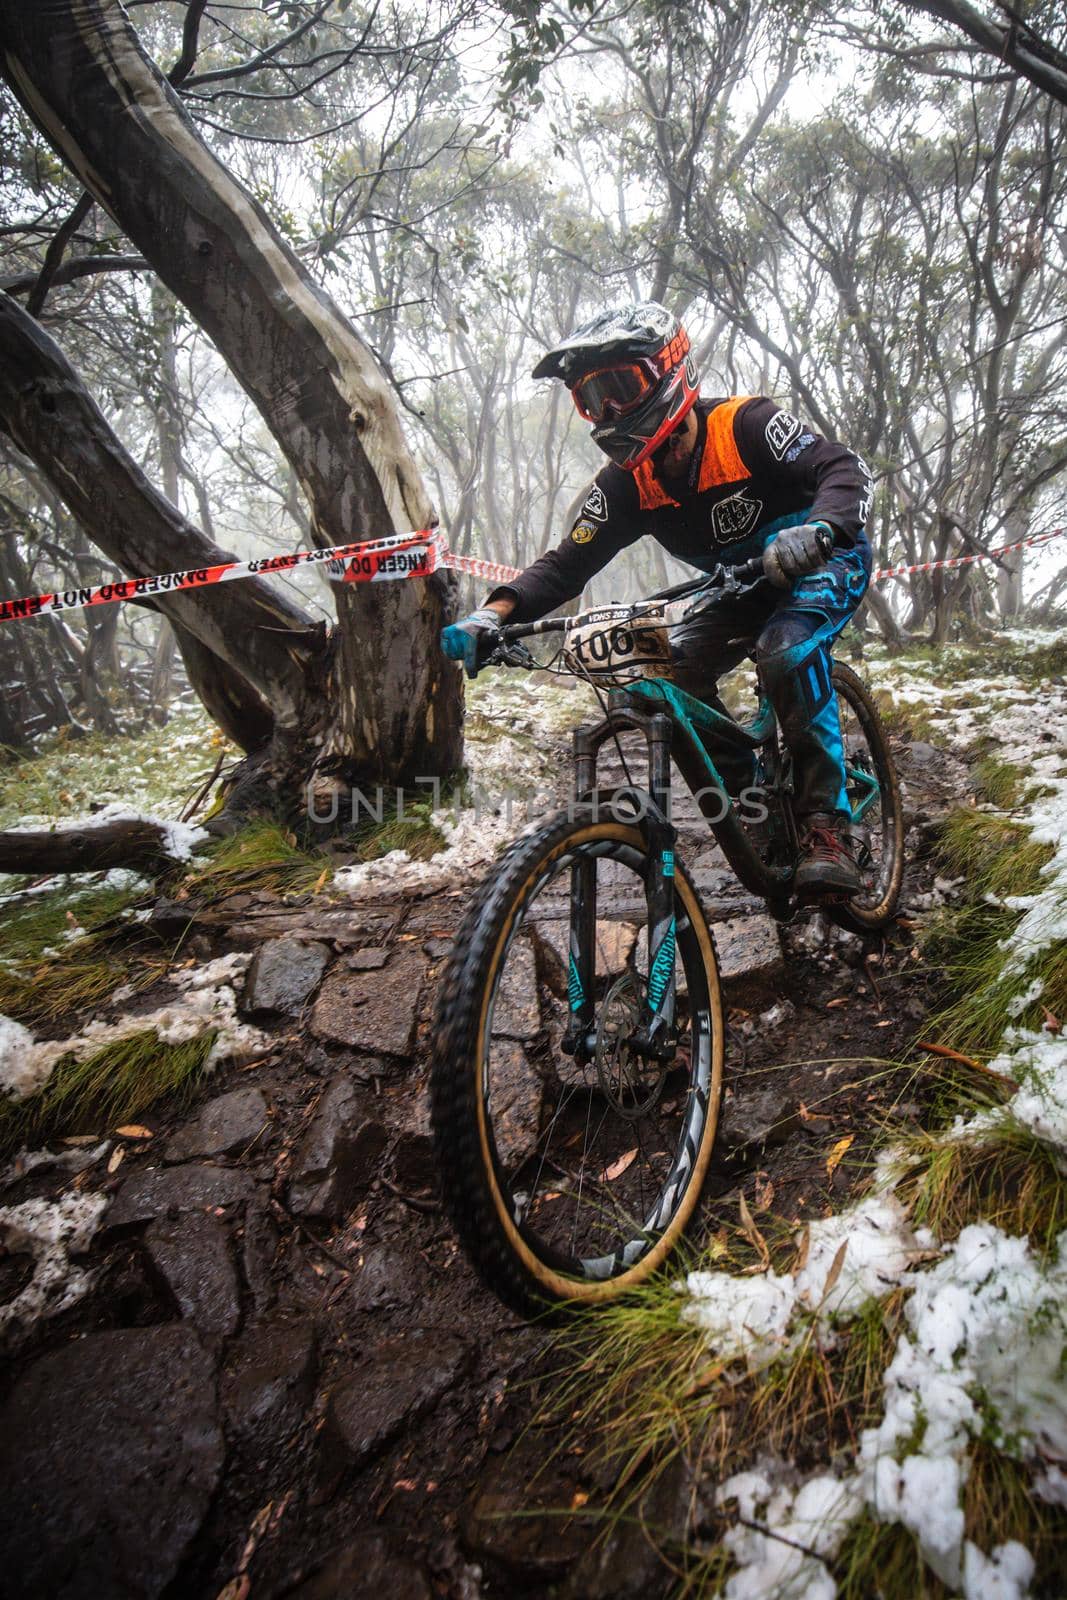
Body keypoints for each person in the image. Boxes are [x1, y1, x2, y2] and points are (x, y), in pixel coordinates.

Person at [441, 302, 874, 898]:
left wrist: (821, 528)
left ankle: (827, 822)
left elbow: (842, 467)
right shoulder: (626, 485)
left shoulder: (746, 426)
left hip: (825, 556)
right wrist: (495, 612)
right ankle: (752, 793)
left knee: (787, 648)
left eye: (621, 387)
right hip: (743, 583)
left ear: (668, 369)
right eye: (592, 401)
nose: (611, 412)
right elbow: (569, 562)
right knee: (670, 672)